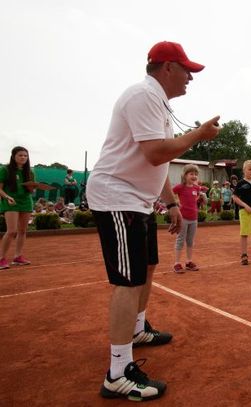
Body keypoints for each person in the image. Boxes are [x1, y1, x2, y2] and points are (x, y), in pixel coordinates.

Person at [86, 40, 220, 401]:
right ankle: (118, 372)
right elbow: (156, 152)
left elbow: (157, 162)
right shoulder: (143, 96)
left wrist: (171, 204)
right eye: (187, 71)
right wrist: (198, 134)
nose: (191, 78)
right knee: (127, 282)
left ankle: (137, 329)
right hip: (117, 195)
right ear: (167, 69)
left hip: (137, 199)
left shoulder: (157, 103)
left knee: (146, 268)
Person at [0, 146, 35, 269]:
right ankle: (1, 258)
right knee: (12, 231)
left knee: (22, 231)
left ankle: (18, 257)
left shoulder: (30, 172)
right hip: (10, 202)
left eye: (25, 155)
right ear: (14, 156)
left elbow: (30, 191)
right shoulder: (5, 170)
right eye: (20, 155)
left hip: (26, 202)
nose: (23, 157)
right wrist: (7, 197)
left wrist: (33, 187)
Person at [172, 164, 204, 273]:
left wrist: (200, 198)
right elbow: (171, 192)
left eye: (196, 174)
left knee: (190, 241)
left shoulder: (196, 188)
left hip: (194, 218)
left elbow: (197, 196)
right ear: (185, 175)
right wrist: (176, 201)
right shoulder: (180, 187)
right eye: (191, 174)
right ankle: (177, 263)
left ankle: (189, 262)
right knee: (180, 240)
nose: (194, 176)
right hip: (183, 218)